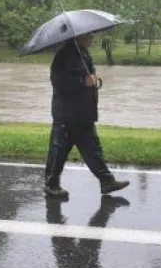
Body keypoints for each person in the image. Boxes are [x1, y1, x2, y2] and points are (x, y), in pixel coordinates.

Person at [43, 32, 129, 198]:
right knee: (58, 151)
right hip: (67, 115)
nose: (92, 38)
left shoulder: (82, 53)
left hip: (84, 114)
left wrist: (91, 81)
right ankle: (51, 185)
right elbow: (58, 81)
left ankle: (107, 182)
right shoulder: (64, 55)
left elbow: (85, 77)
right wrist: (83, 82)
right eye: (88, 36)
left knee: (93, 150)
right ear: (78, 37)